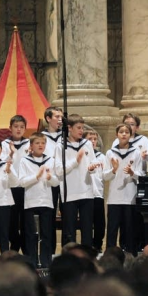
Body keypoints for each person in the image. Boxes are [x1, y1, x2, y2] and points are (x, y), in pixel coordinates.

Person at [111, 113, 148, 250]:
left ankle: (138, 245)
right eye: (126, 124)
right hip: (122, 182)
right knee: (123, 218)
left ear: (136, 127)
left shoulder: (143, 140)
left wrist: (144, 155)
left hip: (138, 179)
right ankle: (124, 245)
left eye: (131, 124)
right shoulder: (116, 142)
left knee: (136, 216)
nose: (128, 127)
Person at [54, 114, 96, 247]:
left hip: (86, 191)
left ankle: (87, 256)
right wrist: (75, 161)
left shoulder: (87, 144)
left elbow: (93, 162)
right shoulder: (60, 146)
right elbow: (59, 170)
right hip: (69, 193)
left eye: (82, 128)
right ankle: (70, 257)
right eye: (78, 127)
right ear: (69, 128)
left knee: (87, 228)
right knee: (69, 230)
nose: (81, 131)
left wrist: (92, 168)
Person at [20, 132, 60, 268]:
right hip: (30, 202)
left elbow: (56, 183)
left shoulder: (50, 160)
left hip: (46, 202)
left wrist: (51, 178)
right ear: (31, 146)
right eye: (37, 143)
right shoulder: (25, 161)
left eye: (43, 143)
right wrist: (36, 177)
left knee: (46, 234)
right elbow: (22, 182)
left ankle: (46, 262)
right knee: (31, 235)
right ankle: (32, 262)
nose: (40, 145)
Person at [103, 123, 143, 255]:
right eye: (121, 132)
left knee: (129, 230)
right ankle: (110, 256)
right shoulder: (110, 153)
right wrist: (114, 170)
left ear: (131, 135)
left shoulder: (136, 153)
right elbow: (105, 176)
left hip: (129, 198)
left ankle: (131, 255)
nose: (124, 134)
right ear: (117, 135)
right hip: (114, 198)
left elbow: (141, 176)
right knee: (112, 230)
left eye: (127, 132)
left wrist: (132, 173)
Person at [1, 115, 30, 253]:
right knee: (11, 220)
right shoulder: (4, 144)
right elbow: (2, 164)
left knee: (25, 219)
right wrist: (11, 154)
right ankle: (14, 244)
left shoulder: (29, 143)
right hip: (10, 187)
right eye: (16, 127)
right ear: (10, 128)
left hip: (25, 186)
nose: (19, 129)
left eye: (22, 127)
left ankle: (26, 247)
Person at [42, 106, 64, 254]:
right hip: (49, 178)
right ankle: (48, 249)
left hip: (64, 178)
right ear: (48, 119)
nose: (60, 119)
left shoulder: (66, 136)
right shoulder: (41, 137)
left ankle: (66, 248)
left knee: (67, 214)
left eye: (61, 117)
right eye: (56, 116)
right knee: (49, 214)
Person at [84, 127, 107, 253]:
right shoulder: (82, 155)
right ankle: (87, 245)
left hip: (98, 193)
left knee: (99, 223)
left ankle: (98, 245)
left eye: (94, 139)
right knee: (86, 222)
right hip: (86, 194)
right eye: (89, 139)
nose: (93, 141)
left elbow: (105, 175)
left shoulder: (101, 157)